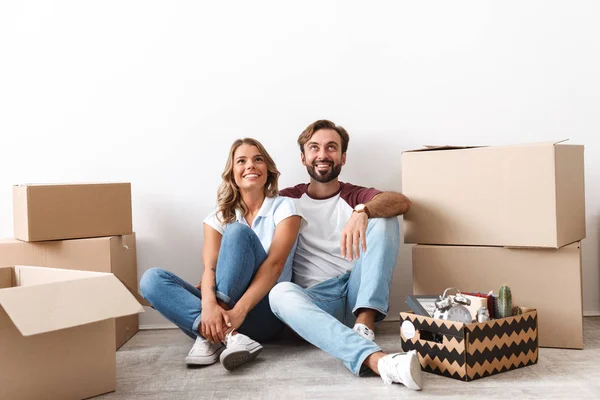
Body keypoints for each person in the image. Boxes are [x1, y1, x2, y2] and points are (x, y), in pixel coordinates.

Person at [269, 120, 422, 390]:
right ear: (303, 157)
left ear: (342, 157)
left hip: (355, 292)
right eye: (314, 148)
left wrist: (363, 211)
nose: (323, 154)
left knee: (385, 217)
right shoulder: (287, 199)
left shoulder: (355, 195)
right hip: (315, 301)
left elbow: (401, 202)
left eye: (331, 147)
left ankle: (365, 323)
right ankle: (378, 361)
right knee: (279, 294)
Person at [140, 138, 302, 371]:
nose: (250, 166)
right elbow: (210, 268)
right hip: (224, 316)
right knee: (151, 279)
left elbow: (275, 265)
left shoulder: (286, 207)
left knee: (237, 232)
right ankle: (228, 337)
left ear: (268, 169)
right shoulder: (217, 217)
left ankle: (208, 335)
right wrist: (208, 308)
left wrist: (237, 311)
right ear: (232, 173)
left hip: (265, 313)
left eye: (258, 160)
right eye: (241, 161)